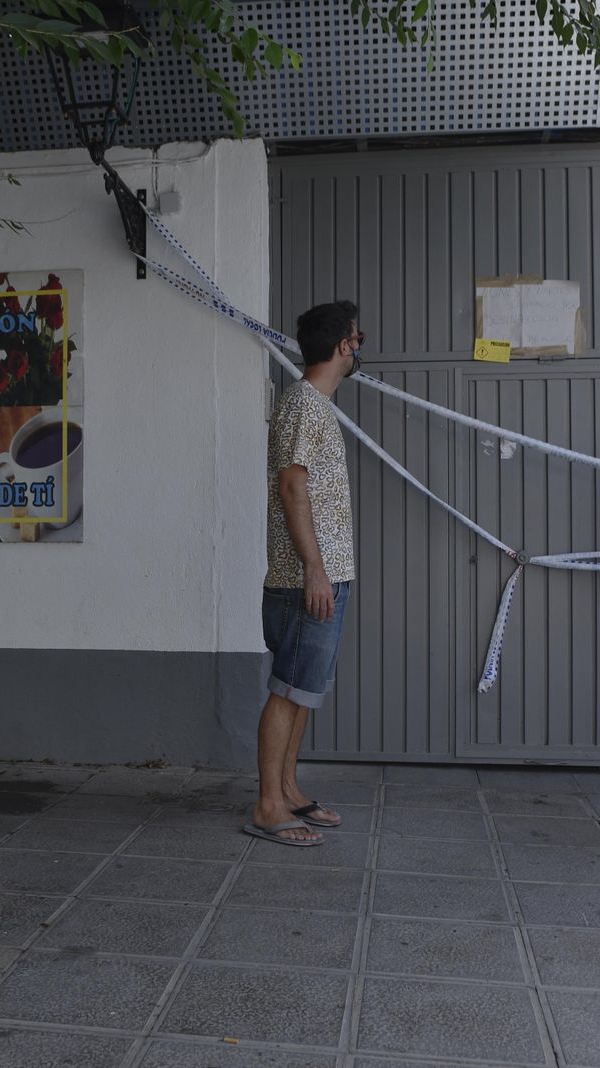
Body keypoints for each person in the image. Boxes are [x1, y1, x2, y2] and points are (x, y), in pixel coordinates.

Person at [245, 300, 364, 846]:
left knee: (306, 691)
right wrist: (315, 571)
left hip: (324, 577)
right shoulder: (302, 406)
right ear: (344, 345)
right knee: (289, 688)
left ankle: (288, 789)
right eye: (357, 338)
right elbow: (292, 487)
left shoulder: (314, 406)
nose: (359, 347)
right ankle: (268, 806)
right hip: (304, 581)